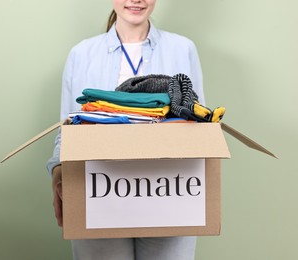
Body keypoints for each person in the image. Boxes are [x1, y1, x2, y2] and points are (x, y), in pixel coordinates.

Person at [47, 0, 205, 259]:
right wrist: (57, 170)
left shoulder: (182, 49)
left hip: (167, 190)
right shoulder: (81, 54)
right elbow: (66, 129)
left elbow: (200, 125)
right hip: (97, 190)